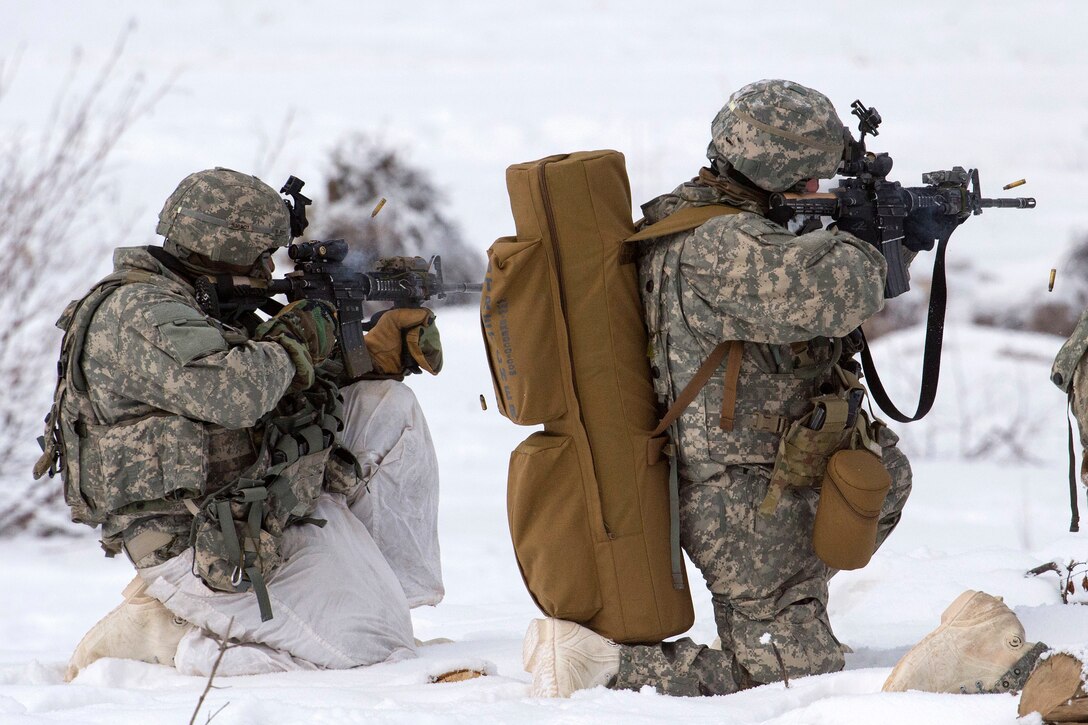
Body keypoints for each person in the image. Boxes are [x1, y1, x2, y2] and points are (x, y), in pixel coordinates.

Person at [522, 79, 930, 697]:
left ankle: (790, 618)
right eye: (813, 177)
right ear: (779, 169)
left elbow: (810, 289)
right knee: (793, 679)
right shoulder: (721, 242)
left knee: (880, 476)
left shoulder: (722, 224)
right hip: (738, 498)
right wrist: (882, 241)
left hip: (771, 475)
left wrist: (894, 237)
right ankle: (600, 667)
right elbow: (830, 293)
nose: (821, 191)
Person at [41, 167, 451, 679]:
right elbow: (235, 392)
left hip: (260, 497)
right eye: (260, 257)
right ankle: (177, 640)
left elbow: (277, 378)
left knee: (386, 406)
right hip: (199, 541)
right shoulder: (137, 313)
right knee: (373, 649)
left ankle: (372, 606)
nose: (266, 270)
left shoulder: (199, 299)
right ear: (223, 249)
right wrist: (302, 329)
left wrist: (365, 355)